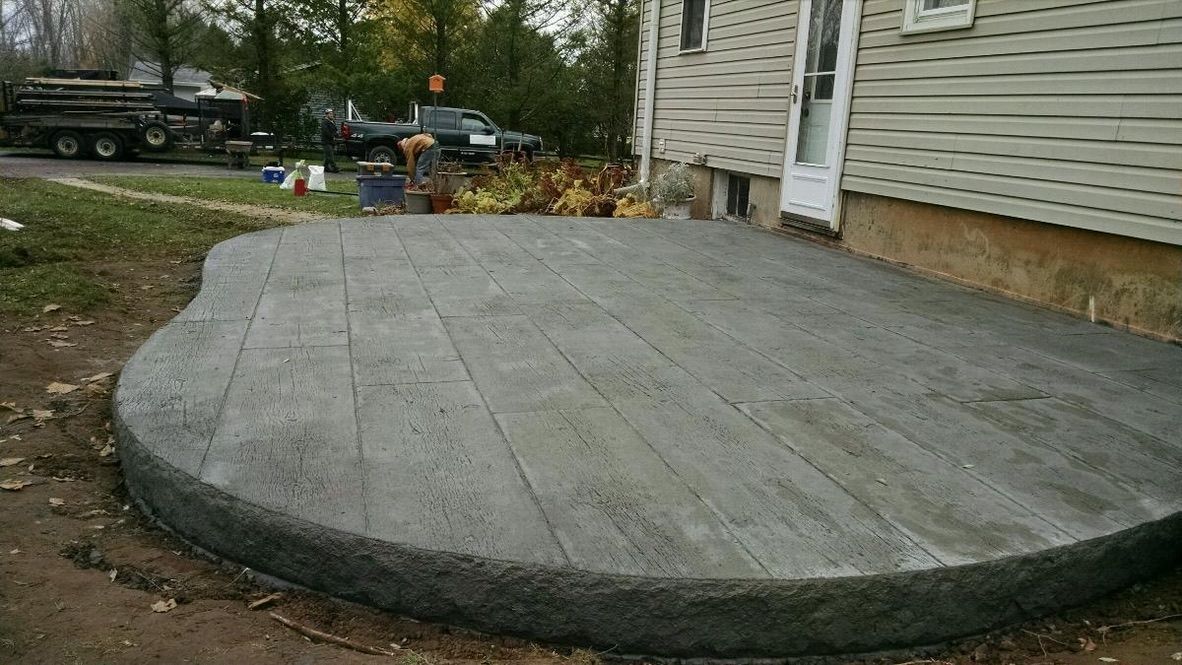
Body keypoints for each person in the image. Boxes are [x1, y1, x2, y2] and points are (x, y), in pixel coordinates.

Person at [320, 108, 340, 173]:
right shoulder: (324, 122)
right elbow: (326, 132)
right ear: (326, 115)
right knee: (330, 155)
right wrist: (332, 137)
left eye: (332, 114)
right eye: (330, 114)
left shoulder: (332, 121)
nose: (332, 115)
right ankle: (335, 168)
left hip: (332, 141)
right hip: (326, 141)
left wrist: (337, 135)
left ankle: (325, 167)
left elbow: (334, 130)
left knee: (327, 156)